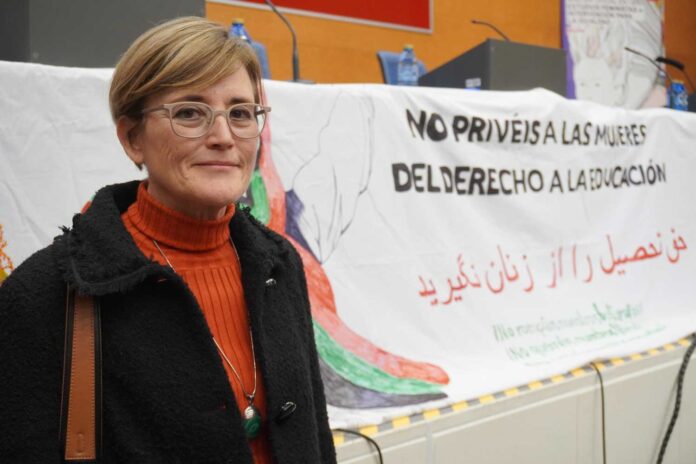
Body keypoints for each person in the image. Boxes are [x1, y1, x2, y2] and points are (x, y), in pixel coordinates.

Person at [0, 17, 336, 463]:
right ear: (132, 138)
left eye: (240, 113)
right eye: (190, 113)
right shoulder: (46, 294)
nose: (222, 137)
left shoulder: (279, 264)